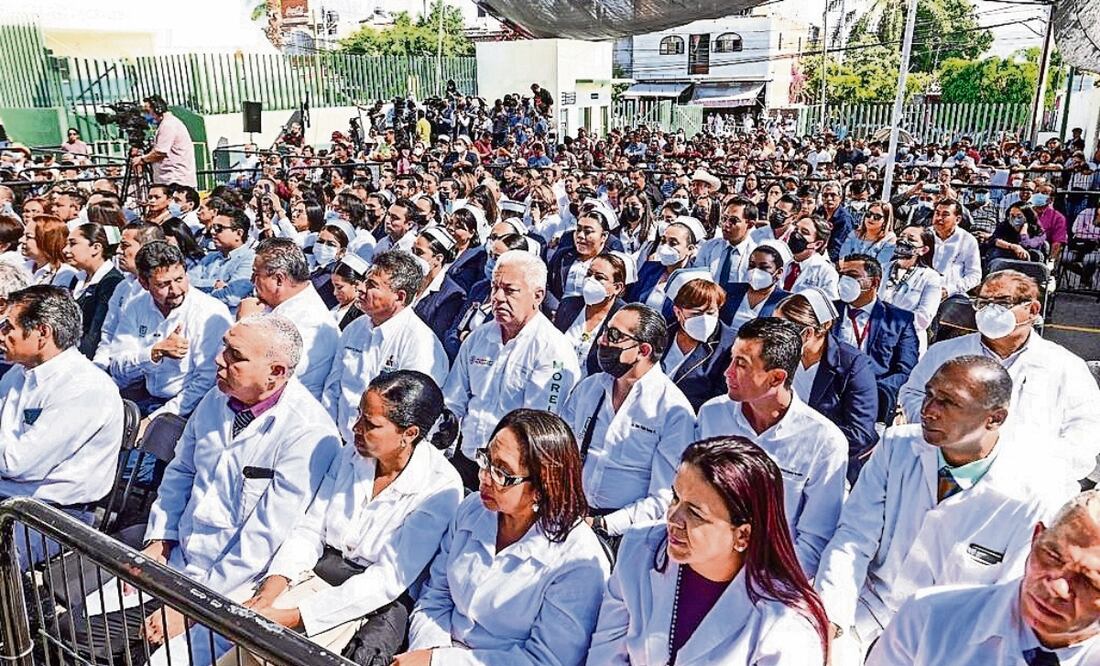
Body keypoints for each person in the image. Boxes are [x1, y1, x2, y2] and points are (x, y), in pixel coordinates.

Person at [83, 314, 340, 663]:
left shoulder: (308, 433)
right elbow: (181, 472)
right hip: (176, 557)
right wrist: (160, 539)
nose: (220, 359)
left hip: (230, 587)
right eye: (224, 348)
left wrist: (191, 608)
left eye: (236, 355)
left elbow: (263, 539)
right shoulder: (216, 399)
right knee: (77, 632)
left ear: (276, 372)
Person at [818, 356, 1070, 663]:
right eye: (929, 395)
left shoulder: (1035, 494)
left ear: (995, 417)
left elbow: (1008, 598)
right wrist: (833, 617)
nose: (928, 411)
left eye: (948, 403)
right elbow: (853, 539)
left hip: (951, 638)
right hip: (868, 612)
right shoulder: (897, 446)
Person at [208, 371, 463, 664]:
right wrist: (272, 590)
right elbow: (309, 529)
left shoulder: (440, 485)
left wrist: (293, 617)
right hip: (313, 575)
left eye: (371, 424)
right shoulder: (350, 454)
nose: (356, 427)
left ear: (409, 434)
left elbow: (387, 579)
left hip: (367, 604)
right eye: (359, 416)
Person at [586, 437, 831, 665]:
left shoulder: (786, 624)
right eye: (675, 497)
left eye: (695, 513)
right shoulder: (639, 549)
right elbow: (605, 655)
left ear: (742, 535)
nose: (673, 518)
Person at [398, 409, 610, 665]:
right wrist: (429, 649)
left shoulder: (578, 560)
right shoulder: (472, 509)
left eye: (502, 473)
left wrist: (441, 661)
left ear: (543, 488)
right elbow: (436, 595)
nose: (484, 478)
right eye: (486, 460)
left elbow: (547, 659)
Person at [898, 270, 1100, 484]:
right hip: (947, 474)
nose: (990, 311)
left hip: (1029, 486)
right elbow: (912, 393)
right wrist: (940, 433)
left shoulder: (1064, 365)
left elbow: (1086, 426)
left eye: (1002, 303)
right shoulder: (944, 353)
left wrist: (1047, 469)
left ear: (1032, 309)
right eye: (983, 303)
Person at [867, 490, 1100, 664]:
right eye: (1052, 556)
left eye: (1090, 581)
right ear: (1036, 537)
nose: (1056, 588)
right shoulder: (930, 617)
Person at [696, 317, 847, 578]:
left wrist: (759, 584)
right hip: (703, 561)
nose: (727, 372)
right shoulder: (712, 415)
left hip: (770, 579)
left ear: (776, 378)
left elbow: (814, 542)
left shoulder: (824, 441)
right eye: (732, 359)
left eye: (741, 364)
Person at [0, 286, 124, 567]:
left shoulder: (84, 387)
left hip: (51, 516)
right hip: (11, 499)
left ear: (42, 333)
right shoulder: (18, 375)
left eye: (9, 327)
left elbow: (17, 463)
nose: (1, 335)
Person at [443, 250, 581, 490]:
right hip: (465, 459)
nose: (497, 297)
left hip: (511, 472)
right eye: (494, 287)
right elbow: (453, 400)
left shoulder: (554, 351)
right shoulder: (478, 338)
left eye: (509, 290)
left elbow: (539, 427)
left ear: (538, 296)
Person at [561, 304, 695, 539]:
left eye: (614, 336)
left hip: (626, 535)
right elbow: (559, 452)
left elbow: (664, 497)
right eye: (605, 331)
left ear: (643, 350)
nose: (603, 341)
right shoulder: (589, 388)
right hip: (572, 516)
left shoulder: (673, 411)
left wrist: (602, 524)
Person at [323, 250, 448, 444]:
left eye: (372, 285)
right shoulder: (354, 329)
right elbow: (333, 388)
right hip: (341, 443)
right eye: (364, 280)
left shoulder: (419, 343)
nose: (361, 288)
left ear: (399, 296)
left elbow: (412, 412)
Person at [105, 241, 233, 422]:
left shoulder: (210, 312)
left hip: (189, 409)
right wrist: (153, 353)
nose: (175, 290)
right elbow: (118, 367)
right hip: (141, 397)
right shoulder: (136, 306)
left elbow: (206, 381)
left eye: (180, 279)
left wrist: (154, 420)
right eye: (163, 284)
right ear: (143, 283)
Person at [775, 289, 878, 482]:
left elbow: (860, 433)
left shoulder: (854, 365)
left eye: (785, 329)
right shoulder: (779, 355)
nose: (777, 335)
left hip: (831, 465)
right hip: (780, 453)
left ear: (810, 332)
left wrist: (798, 440)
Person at [236, 238, 339, 400]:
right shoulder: (279, 304)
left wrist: (245, 325)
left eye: (256, 274)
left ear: (278, 279)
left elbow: (260, 378)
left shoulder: (309, 323)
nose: (252, 281)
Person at [834, 254, 918, 423]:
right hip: (830, 392)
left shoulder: (899, 320)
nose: (844, 281)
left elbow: (906, 370)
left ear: (875, 282)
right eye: (842, 275)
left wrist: (871, 390)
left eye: (852, 276)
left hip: (873, 398)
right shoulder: (830, 311)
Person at [661, 269, 737, 412]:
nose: (704, 319)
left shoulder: (730, 345)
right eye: (696, 313)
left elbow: (721, 400)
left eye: (711, 312)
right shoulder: (662, 334)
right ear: (678, 312)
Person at [93, 222, 166, 369]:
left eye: (125, 246)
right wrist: (99, 367)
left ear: (147, 249)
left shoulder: (165, 291)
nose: (118, 251)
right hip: (118, 368)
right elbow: (108, 333)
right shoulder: (123, 286)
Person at [552, 251, 628, 376]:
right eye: (588, 274)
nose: (590, 281)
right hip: (556, 380)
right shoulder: (568, 305)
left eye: (599, 278)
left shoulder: (623, 319)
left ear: (617, 287)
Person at [62, 222, 125, 358]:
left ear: (96, 248)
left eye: (73, 244)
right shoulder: (78, 278)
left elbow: (96, 333)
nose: (65, 250)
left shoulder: (111, 282)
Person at [879, 224, 942, 352]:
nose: (903, 241)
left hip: (907, 340)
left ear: (923, 250)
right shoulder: (882, 268)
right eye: (901, 237)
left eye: (911, 239)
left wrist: (892, 325)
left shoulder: (930, 277)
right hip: (877, 334)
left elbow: (924, 317)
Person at [187, 204, 255, 313]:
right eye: (213, 227)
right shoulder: (210, 257)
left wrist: (196, 296)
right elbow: (186, 282)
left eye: (219, 228)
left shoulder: (250, 259)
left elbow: (231, 297)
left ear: (239, 233)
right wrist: (212, 284)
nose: (213, 232)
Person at [629, 216, 706, 311]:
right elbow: (631, 301)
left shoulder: (693, 283)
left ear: (690, 249)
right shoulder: (649, 269)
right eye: (663, 241)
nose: (665, 246)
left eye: (673, 243)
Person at [547, 208, 612, 310]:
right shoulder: (562, 255)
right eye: (578, 230)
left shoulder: (610, 264)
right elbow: (548, 285)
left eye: (588, 232)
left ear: (603, 236)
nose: (581, 236)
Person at [720, 242, 791, 333]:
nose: (755, 271)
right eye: (752, 265)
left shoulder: (784, 301)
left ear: (779, 272)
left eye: (764, 267)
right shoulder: (729, 290)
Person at [411, 226, 465, 343]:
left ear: (438, 259)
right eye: (412, 251)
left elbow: (435, 336)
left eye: (419, 253)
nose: (413, 257)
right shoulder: (409, 279)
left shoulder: (451, 295)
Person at [132, 94, 197, 188]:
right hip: (170, 180)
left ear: (157, 109)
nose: (145, 115)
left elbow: (160, 152)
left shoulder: (168, 125)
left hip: (175, 181)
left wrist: (142, 159)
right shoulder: (167, 123)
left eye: (147, 111)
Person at [693, 197, 758, 284]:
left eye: (733, 221)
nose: (726, 224)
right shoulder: (708, 247)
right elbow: (697, 280)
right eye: (724, 219)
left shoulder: (756, 255)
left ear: (750, 224)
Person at [931, 199, 982, 299]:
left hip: (953, 294)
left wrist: (949, 290)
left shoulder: (968, 240)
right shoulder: (924, 235)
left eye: (945, 215)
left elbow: (974, 275)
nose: (939, 218)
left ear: (957, 219)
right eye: (937, 213)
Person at [782, 214, 839, 299]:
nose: (796, 234)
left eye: (804, 232)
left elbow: (829, 304)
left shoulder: (826, 272)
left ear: (817, 244)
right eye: (796, 229)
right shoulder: (783, 260)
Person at [308, 218, 355, 309]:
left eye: (331, 244)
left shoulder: (333, 272)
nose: (323, 247)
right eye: (320, 241)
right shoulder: (314, 264)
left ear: (342, 251)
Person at [22, 214, 78, 287]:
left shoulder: (64, 274)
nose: (22, 240)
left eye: (28, 237)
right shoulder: (22, 267)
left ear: (47, 241)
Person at [442, 206, 487, 293]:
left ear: (471, 233)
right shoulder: (441, 246)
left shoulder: (473, 260)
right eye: (450, 223)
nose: (451, 228)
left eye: (458, 226)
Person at [838, 201, 896, 268]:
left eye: (877, 216)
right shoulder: (853, 234)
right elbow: (842, 259)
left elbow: (879, 266)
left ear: (885, 221)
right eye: (869, 214)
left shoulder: (889, 239)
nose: (871, 218)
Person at [818, 179, 856, 262]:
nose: (829, 198)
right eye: (825, 195)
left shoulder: (844, 219)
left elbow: (837, 249)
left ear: (840, 198)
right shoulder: (819, 212)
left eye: (833, 195)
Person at [329, 255, 368, 331]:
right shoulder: (335, 306)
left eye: (339, 287)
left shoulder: (361, 314)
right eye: (333, 286)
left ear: (356, 285)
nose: (335, 293)